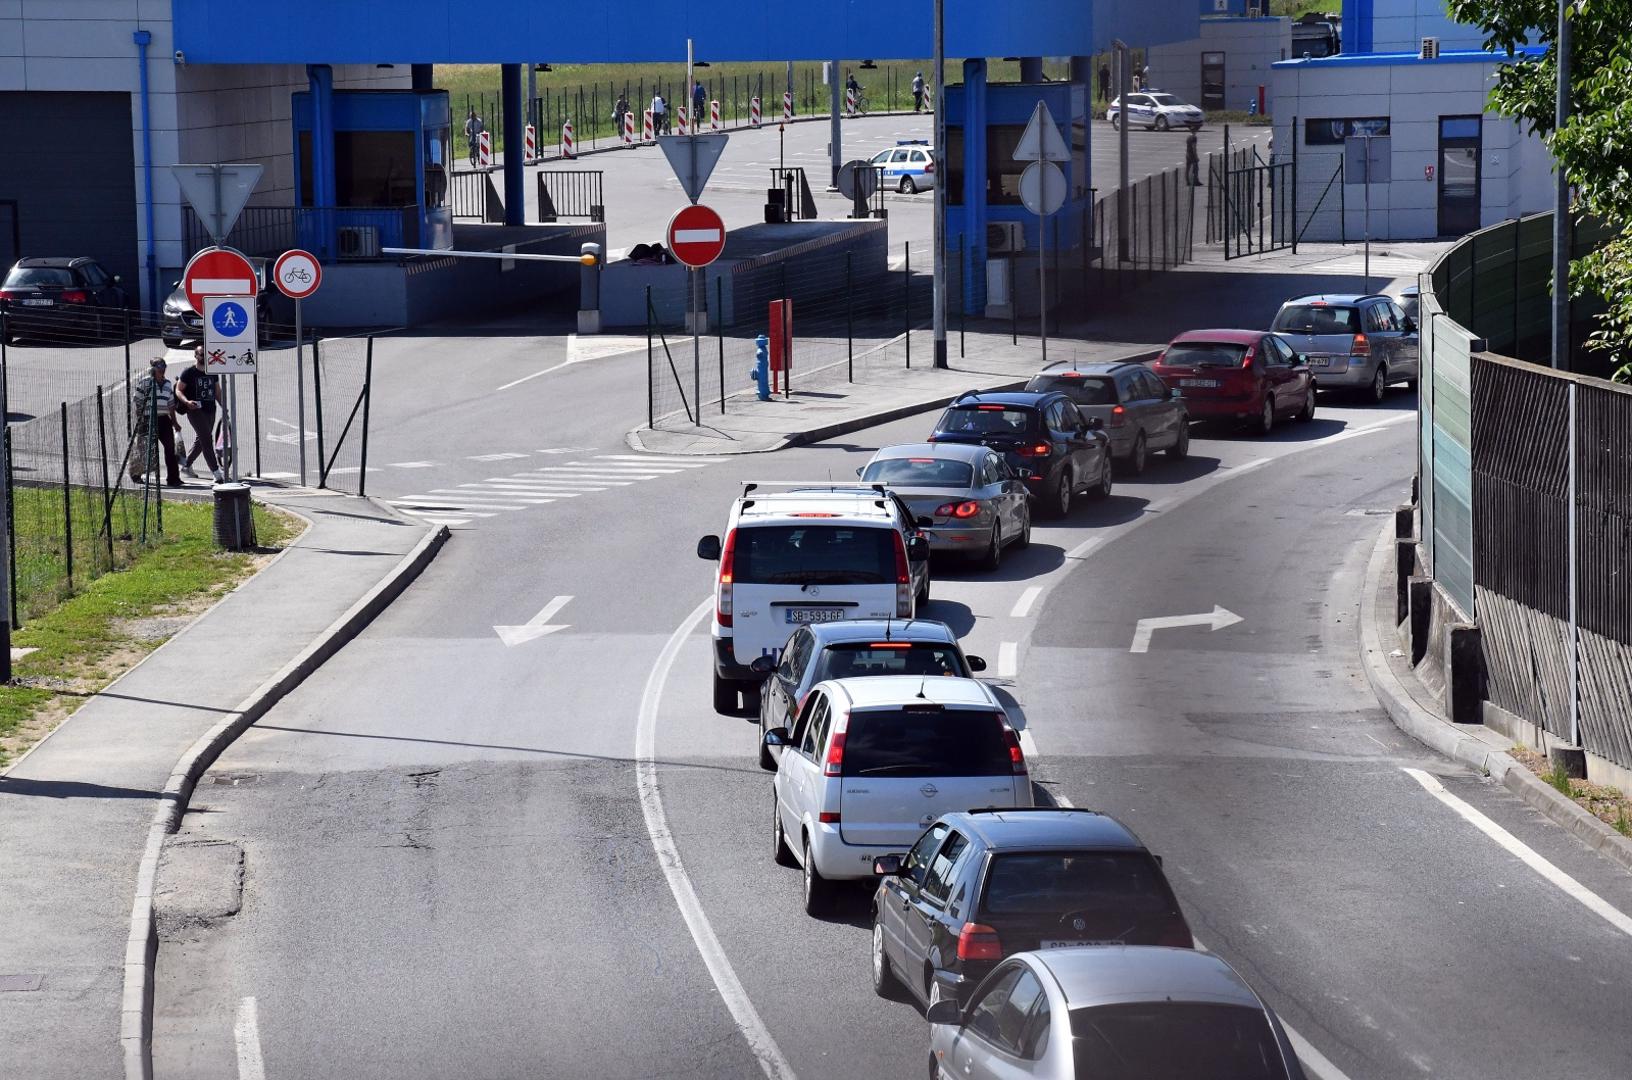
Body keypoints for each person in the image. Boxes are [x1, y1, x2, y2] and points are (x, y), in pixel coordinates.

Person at [174, 344, 227, 482]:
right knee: (207, 440)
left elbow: (217, 391)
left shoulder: (212, 371)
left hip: (210, 409)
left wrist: (224, 406)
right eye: (201, 354)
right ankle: (216, 473)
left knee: (202, 440)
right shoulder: (189, 372)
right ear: (195, 355)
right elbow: (178, 390)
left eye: (206, 354)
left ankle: (186, 464)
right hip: (195, 410)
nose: (204, 357)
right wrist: (186, 402)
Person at [130, 356, 182, 488]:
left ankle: (173, 478)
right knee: (144, 449)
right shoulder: (144, 383)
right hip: (148, 418)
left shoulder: (168, 384)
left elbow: (170, 405)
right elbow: (138, 402)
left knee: (170, 448)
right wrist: (141, 419)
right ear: (152, 369)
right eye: (160, 368)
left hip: (164, 419)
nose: (162, 371)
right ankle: (136, 474)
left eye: (164, 368)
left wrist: (174, 422)